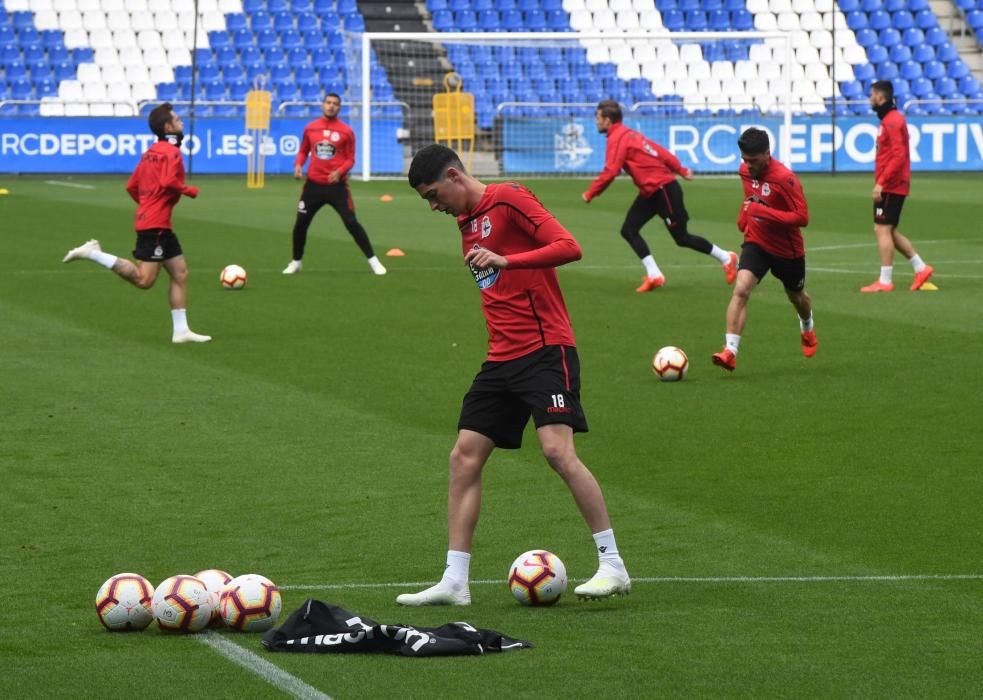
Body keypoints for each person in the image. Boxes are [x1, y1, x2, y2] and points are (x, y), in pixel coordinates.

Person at [396, 144, 631, 606]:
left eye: (432, 194)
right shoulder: (465, 222)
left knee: (557, 452)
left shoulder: (510, 198)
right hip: (501, 357)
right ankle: (455, 581)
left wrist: (508, 259)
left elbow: (570, 247)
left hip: (546, 349)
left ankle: (613, 566)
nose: (433, 206)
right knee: (463, 457)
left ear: (453, 176)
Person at [61, 103, 210, 344]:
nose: (182, 122)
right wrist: (188, 190)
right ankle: (93, 254)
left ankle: (181, 331)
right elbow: (168, 181)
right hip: (156, 225)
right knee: (144, 280)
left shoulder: (151, 151)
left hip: (153, 222)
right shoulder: (171, 152)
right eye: (177, 119)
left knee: (180, 273)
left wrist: (147, 206)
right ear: (168, 127)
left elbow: (132, 186)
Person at [582, 99, 737, 293]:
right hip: (651, 192)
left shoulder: (618, 138)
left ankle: (726, 257)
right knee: (629, 230)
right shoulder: (629, 135)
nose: (595, 121)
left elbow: (611, 171)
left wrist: (591, 192)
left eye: (597, 117)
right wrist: (679, 168)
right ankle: (654, 275)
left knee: (682, 238)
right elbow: (660, 152)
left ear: (608, 120)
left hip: (664, 190)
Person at [712, 128, 816, 372]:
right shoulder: (744, 171)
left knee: (797, 297)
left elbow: (802, 217)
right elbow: (751, 200)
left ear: (768, 154)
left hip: (787, 250)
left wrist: (762, 212)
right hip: (757, 242)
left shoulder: (785, 179)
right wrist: (745, 214)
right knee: (741, 289)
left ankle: (807, 326)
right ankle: (730, 351)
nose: (748, 166)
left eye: (754, 161)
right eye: (744, 160)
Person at [282, 92, 386, 276]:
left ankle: (374, 261)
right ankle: (296, 262)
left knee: (351, 222)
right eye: (328, 102)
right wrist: (298, 165)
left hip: (337, 187)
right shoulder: (310, 128)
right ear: (323, 105)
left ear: (339, 107)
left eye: (335, 104)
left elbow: (351, 159)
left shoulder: (346, 131)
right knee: (300, 225)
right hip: (313, 186)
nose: (331, 106)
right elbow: (303, 150)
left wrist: (339, 172)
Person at [860, 80, 934, 293]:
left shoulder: (892, 121)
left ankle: (885, 281)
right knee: (888, 229)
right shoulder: (890, 119)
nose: (870, 99)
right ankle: (921, 268)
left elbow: (898, 156)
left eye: (872, 95)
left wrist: (881, 183)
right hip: (893, 183)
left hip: (891, 185)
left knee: (881, 228)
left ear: (880, 97)